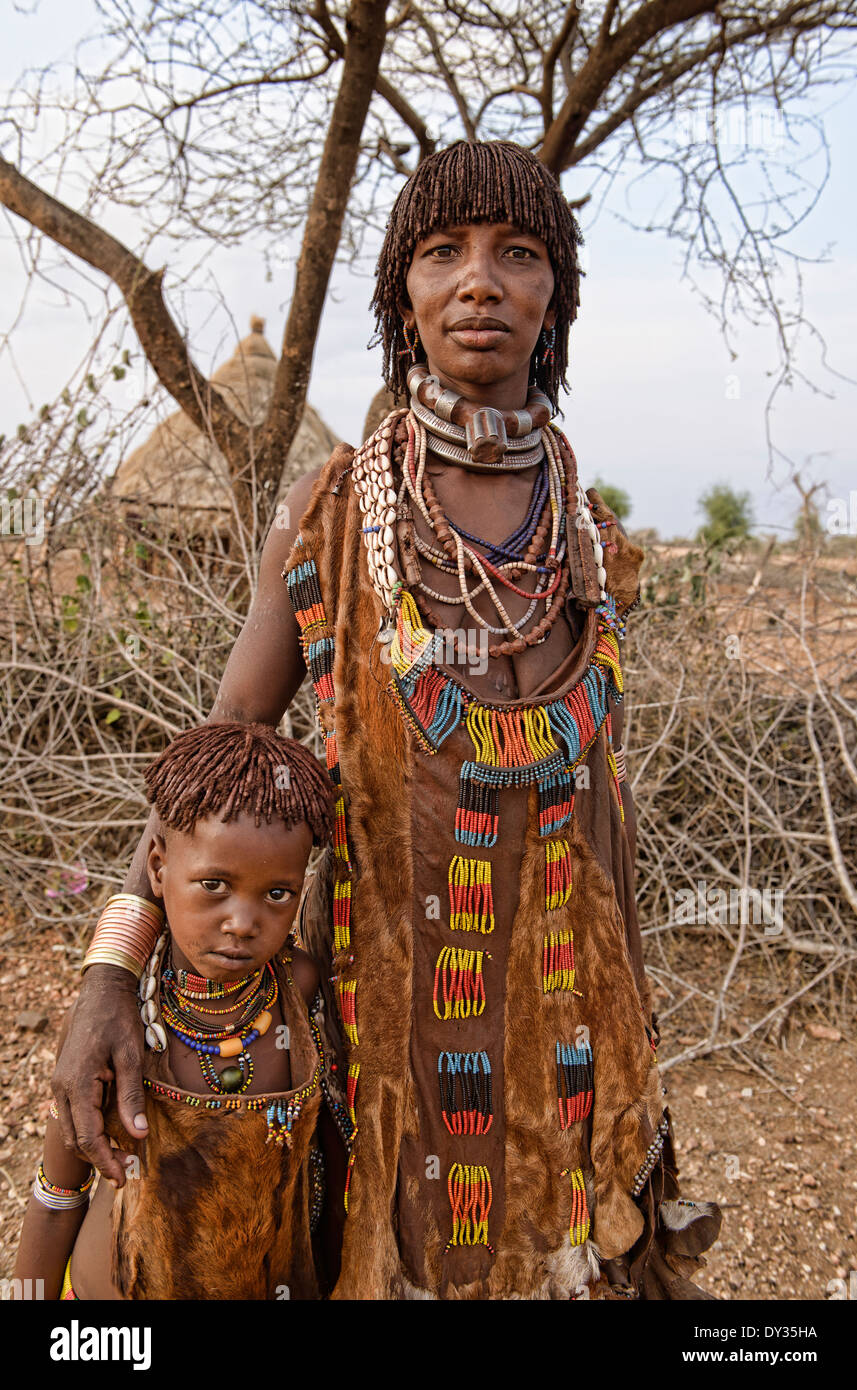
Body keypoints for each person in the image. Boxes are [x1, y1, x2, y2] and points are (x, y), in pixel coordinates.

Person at [52, 139, 720, 1299]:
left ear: (554, 297)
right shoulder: (334, 519)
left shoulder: (592, 540)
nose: (480, 281)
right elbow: (217, 763)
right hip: (384, 1026)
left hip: (573, 1028)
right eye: (442, 252)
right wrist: (116, 968)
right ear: (401, 297)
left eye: (519, 254)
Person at [15, 722, 345, 1299]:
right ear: (159, 868)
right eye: (213, 884)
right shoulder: (113, 1025)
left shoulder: (301, 991)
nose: (243, 922)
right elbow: (56, 1197)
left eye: (277, 894)